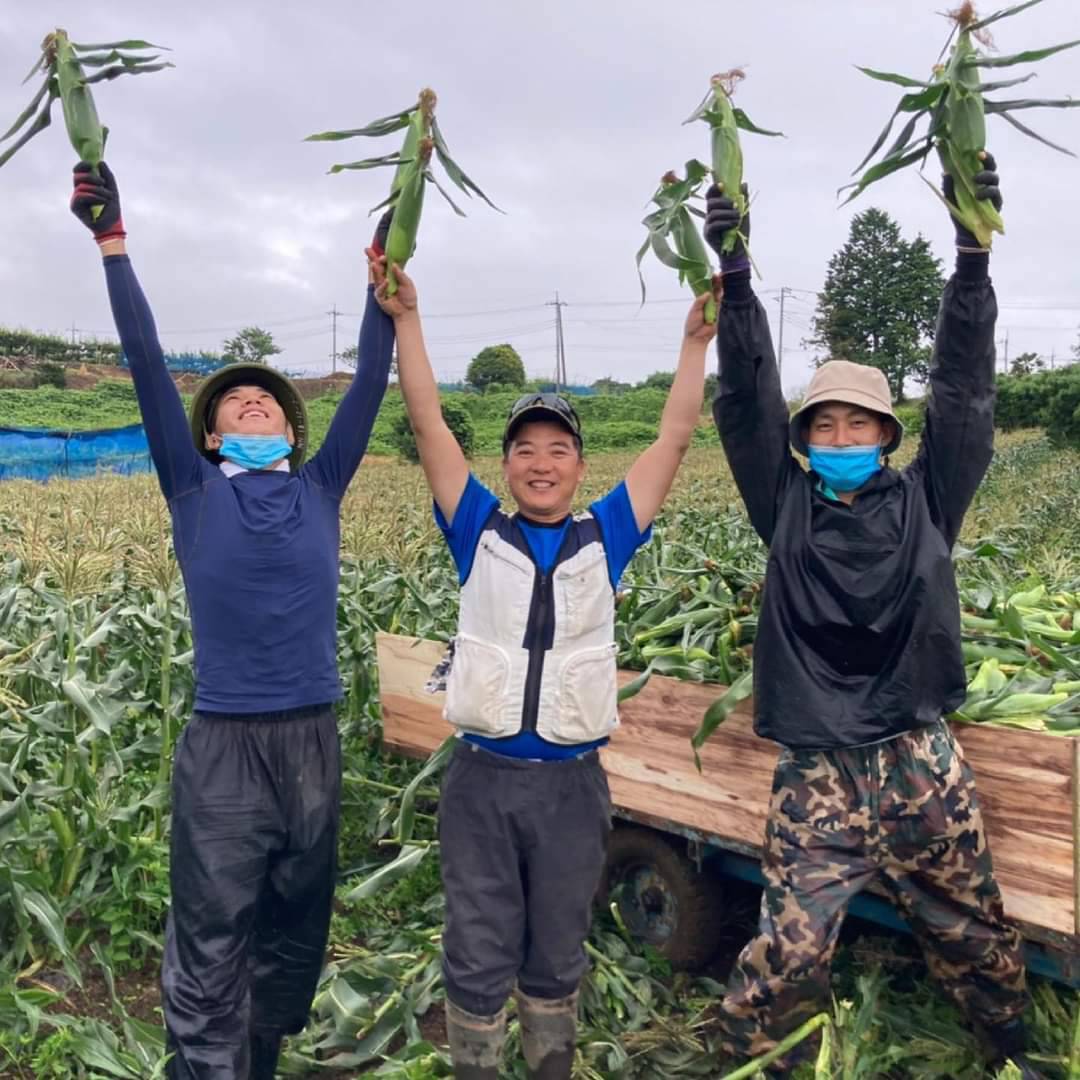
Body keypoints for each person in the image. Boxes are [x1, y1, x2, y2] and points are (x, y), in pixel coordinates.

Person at [703, 156, 1043, 1077]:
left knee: (970, 931)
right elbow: (742, 398)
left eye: (861, 424)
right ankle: (753, 1063)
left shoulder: (931, 499)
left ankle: (1009, 1054)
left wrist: (972, 258)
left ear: (889, 435)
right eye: (826, 425)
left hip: (918, 758)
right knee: (790, 956)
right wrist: (734, 275)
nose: (843, 438)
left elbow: (967, 391)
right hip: (817, 769)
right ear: (806, 440)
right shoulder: (784, 504)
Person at [69, 161, 396, 1079]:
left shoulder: (322, 488)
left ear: (293, 430)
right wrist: (112, 246)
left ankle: (254, 1061)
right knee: (210, 940)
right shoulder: (194, 490)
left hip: (312, 741)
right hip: (224, 751)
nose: (252, 403)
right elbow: (142, 361)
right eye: (233, 402)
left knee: (293, 935)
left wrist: (381, 282)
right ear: (211, 434)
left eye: (267, 401)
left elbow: (371, 380)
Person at [369, 252, 715, 1079]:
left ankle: (551, 1066)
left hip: (572, 788)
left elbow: (673, 436)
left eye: (558, 448)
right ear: (507, 464)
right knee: (478, 946)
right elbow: (426, 423)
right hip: (482, 784)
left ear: (579, 466)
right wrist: (407, 319)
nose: (541, 462)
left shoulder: (610, 534)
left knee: (557, 950)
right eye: (525, 449)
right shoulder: (477, 527)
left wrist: (695, 345)